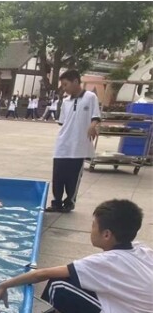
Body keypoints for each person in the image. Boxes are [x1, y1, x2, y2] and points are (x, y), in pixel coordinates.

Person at [0, 199, 152, 313]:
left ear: (106, 234)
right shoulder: (143, 251)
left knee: (58, 286)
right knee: (78, 281)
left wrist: (4, 285)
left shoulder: (107, 261)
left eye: (93, 225)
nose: (90, 229)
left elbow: (43, 274)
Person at [45, 70, 101, 213]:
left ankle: (69, 202)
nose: (64, 88)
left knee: (73, 177)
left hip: (79, 145)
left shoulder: (90, 97)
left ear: (76, 81)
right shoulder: (66, 101)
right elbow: (63, 123)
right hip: (63, 143)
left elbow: (96, 116)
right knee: (58, 175)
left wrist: (93, 126)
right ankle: (56, 202)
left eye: (66, 84)